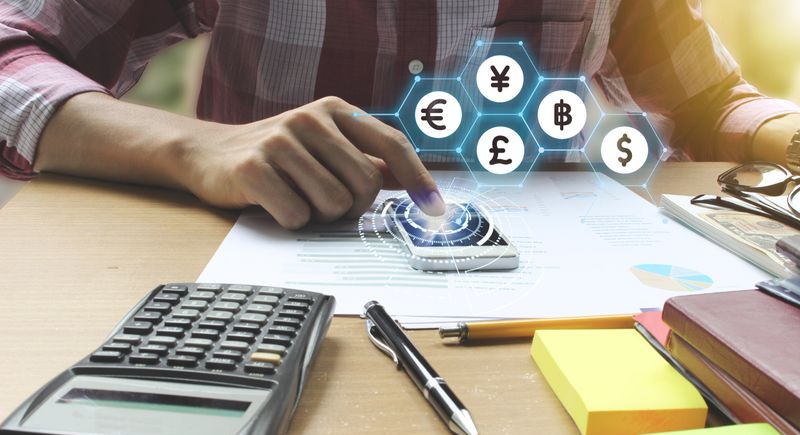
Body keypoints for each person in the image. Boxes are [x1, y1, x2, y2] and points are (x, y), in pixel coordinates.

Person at [0, 1, 797, 228]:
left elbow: (706, 101)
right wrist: (193, 148)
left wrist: (779, 134)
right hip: (284, 307)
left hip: (564, 310)